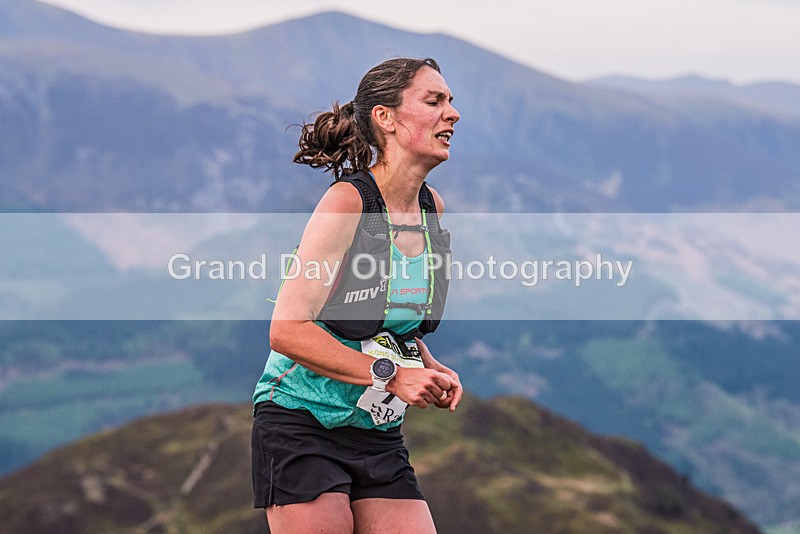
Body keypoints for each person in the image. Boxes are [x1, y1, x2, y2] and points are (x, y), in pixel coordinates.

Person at [251, 57, 462, 534]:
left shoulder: (431, 207)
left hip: (376, 432)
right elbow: (287, 330)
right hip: (301, 423)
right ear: (385, 118)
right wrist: (394, 376)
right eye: (434, 101)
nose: (452, 113)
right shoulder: (348, 202)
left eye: (450, 101)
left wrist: (426, 365)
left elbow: (385, 319)